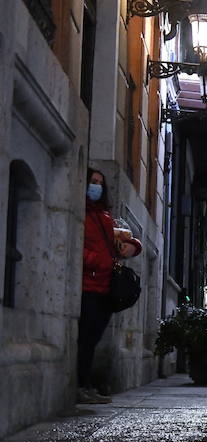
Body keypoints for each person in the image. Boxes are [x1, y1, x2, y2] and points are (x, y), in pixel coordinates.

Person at [78, 167, 141, 404]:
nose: (96, 186)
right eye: (93, 181)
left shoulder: (104, 216)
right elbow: (78, 248)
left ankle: (87, 384)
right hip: (89, 286)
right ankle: (81, 384)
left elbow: (125, 239)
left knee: (93, 339)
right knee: (85, 338)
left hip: (105, 288)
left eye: (100, 183)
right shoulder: (81, 213)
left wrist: (134, 246)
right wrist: (101, 261)